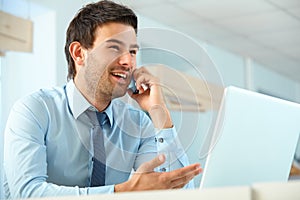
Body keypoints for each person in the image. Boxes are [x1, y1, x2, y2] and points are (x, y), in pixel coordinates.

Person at [3, 0, 201, 198]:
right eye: (114, 48)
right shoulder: (34, 110)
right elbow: (27, 193)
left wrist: (160, 113)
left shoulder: (138, 123)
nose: (128, 62)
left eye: (132, 51)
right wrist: (122, 191)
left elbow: (178, 193)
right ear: (79, 54)